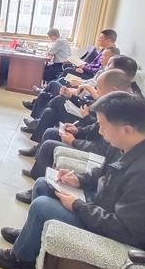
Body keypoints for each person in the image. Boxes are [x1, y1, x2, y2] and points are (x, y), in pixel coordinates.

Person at [0, 92, 145, 269]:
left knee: (42, 206)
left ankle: (21, 260)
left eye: (103, 126)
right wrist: (78, 179)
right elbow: (103, 171)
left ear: (126, 129)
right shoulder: (129, 146)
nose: (99, 131)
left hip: (117, 231)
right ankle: (28, 237)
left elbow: (125, 231)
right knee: (43, 184)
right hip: (104, 204)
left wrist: (77, 205)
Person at [14, 69, 135, 204]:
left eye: (98, 89)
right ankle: (37, 168)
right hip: (89, 137)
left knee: (49, 144)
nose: (96, 92)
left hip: (93, 149)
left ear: (113, 90)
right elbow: (96, 128)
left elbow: (100, 148)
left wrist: (74, 142)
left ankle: (37, 187)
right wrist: (77, 130)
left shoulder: (124, 113)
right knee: (51, 124)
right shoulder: (116, 104)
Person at [22, 47, 121, 118]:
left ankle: (39, 99)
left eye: (104, 57)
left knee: (54, 85)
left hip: (83, 94)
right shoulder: (104, 70)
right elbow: (92, 81)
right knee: (57, 84)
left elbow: (94, 90)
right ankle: (38, 106)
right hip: (83, 87)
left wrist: (81, 83)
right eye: (102, 56)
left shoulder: (110, 79)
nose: (101, 58)